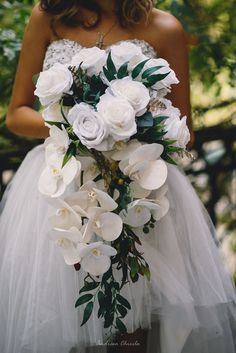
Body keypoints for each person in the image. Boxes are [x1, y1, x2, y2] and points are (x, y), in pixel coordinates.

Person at [0, 1, 235, 353]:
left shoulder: (165, 28)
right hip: (61, 186)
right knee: (62, 316)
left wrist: (129, 129)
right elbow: (17, 114)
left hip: (139, 189)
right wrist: (81, 125)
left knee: (134, 327)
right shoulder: (48, 16)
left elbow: (183, 131)